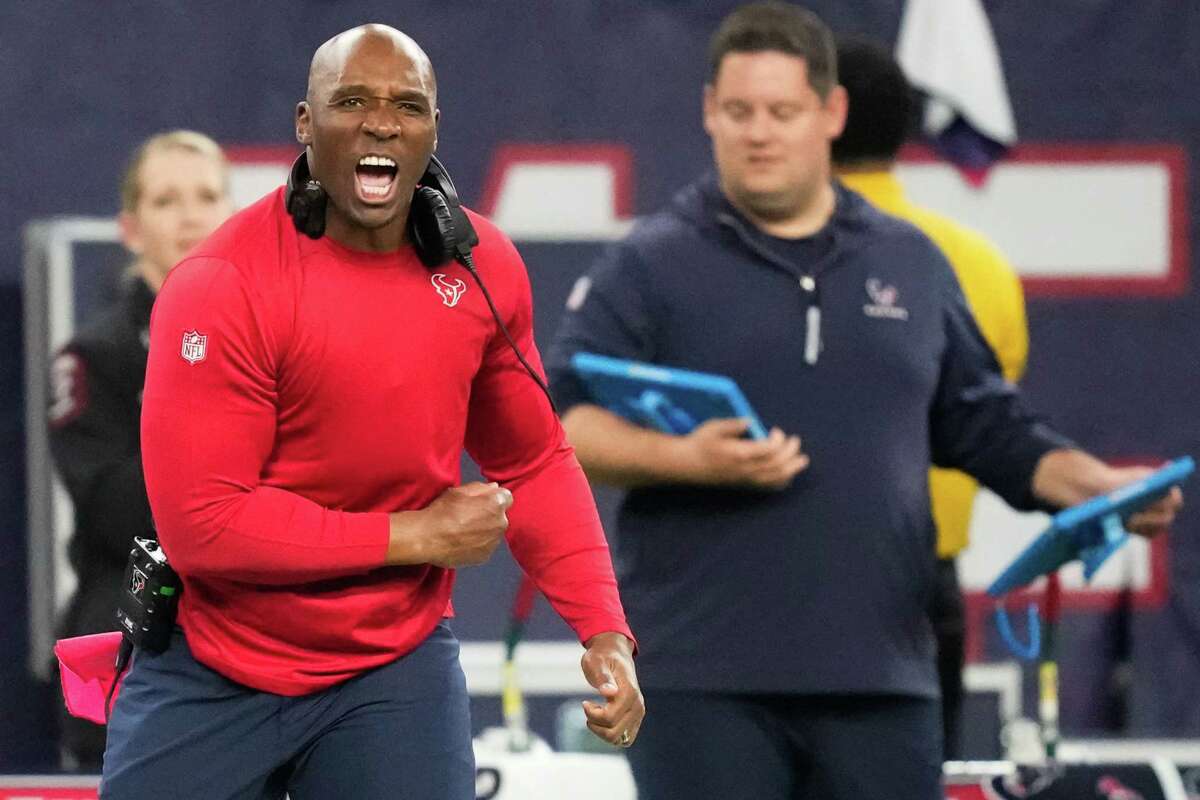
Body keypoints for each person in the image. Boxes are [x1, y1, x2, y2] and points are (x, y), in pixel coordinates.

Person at [545, 4, 1181, 799]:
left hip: (884, 679)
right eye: (739, 111)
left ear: (832, 112)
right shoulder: (650, 264)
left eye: (783, 111)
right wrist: (686, 458)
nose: (759, 133)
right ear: (709, 110)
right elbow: (565, 427)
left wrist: (1102, 489)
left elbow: (985, 422)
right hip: (701, 679)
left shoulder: (910, 261)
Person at [101, 24, 643, 800]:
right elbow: (204, 527)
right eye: (351, 101)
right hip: (211, 663)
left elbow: (532, 459)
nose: (381, 122)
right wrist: (418, 535)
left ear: (432, 129)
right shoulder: (221, 283)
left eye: (407, 105)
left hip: (392, 670)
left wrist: (604, 630)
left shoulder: (480, 269)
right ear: (304, 124)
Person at [831, 37, 1030, 761]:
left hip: (787, 581)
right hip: (924, 581)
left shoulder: (771, 259)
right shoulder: (976, 265)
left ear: (821, 116)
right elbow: (988, 412)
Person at [47, 130, 233, 769]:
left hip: (255, 644)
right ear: (130, 228)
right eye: (165, 200)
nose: (190, 216)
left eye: (207, 196)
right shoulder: (93, 358)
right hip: (130, 636)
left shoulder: (273, 341)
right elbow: (114, 507)